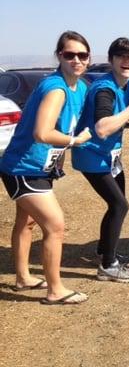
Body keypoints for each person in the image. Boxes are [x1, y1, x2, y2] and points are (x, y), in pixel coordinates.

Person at [0, 31, 93, 304]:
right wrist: (75, 141)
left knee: (26, 222)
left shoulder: (81, 87)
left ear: (89, 58)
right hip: (23, 167)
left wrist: (59, 156)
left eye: (82, 55)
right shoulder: (55, 88)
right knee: (55, 226)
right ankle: (55, 290)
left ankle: (22, 277)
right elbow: (42, 132)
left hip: (38, 167)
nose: (76, 60)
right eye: (69, 55)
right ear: (59, 56)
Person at [72, 37, 129, 283]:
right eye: (121, 57)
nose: (126, 61)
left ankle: (105, 250)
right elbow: (103, 128)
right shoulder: (104, 88)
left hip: (110, 157)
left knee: (117, 204)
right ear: (111, 60)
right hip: (92, 154)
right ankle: (108, 265)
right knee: (120, 205)